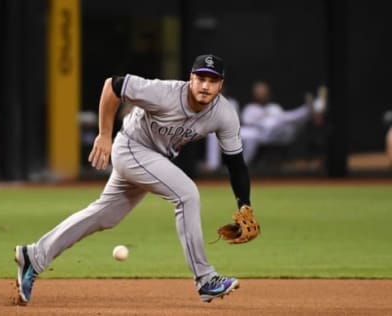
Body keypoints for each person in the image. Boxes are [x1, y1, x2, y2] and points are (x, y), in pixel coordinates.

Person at [14, 54, 253, 304]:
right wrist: (104, 134)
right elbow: (113, 86)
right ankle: (205, 279)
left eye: (212, 81)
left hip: (152, 157)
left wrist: (244, 204)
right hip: (131, 147)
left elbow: (235, 161)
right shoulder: (164, 93)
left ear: (221, 85)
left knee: (105, 215)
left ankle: (34, 255)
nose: (205, 86)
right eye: (201, 78)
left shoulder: (224, 114)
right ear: (190, 79)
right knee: (187, 195)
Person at [240, 81, 326, 165]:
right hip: (261, 135)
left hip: (280, 135)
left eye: (264, 91)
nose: (262, 93)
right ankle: (312, 109)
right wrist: (266, 121)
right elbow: (248, 126)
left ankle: (311, 109)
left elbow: (283, 122)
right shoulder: (250, 108)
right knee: (283, 120)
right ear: (254, 94)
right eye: (259, 91)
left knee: (287, 122)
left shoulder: (274, 107)